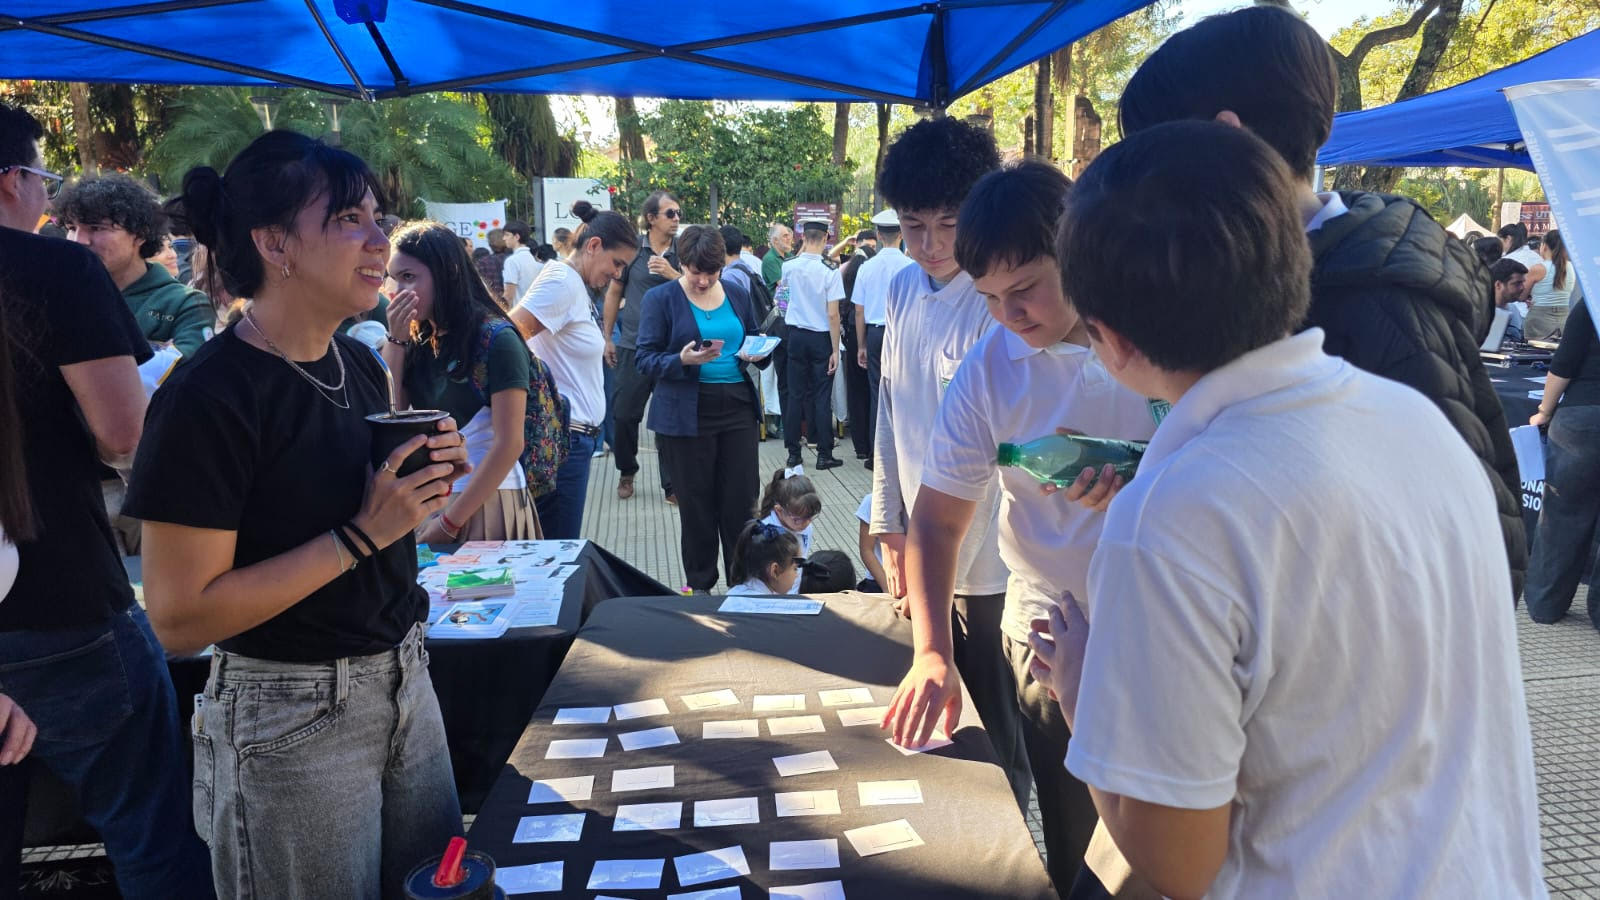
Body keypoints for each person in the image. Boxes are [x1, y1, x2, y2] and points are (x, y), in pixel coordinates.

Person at [1028, 117, 1544, 900]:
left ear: (1109, 337)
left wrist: (1080, 692)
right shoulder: (1415, 421)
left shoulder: (1175, 517)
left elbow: (1179, 862)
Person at [128, 131, 473, 897]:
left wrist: (422, 488)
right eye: (350, 219)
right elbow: (179, 619)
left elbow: (370, 524)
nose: (381, 240)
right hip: (287, 717)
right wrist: (362, 535)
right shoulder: (207, 397)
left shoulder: (356, 362)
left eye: (378, 218)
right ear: (275, 242)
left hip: (404, 680)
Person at [1118, 4, 1526, 599]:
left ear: (1228, 138)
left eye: (1151, 157)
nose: (1141, 187)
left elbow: (1453, 549)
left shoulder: (1374, 305)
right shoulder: (1290, 274)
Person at [884, 160, 1156, 897]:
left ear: (1080, 253)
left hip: (1168, 629)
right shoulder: (990, 366)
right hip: (1050, 629)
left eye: (1026, 289)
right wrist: (932, 652)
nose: (1009, 316)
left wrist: (1148, 483)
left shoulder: (1160, 330)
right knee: (1077, 847)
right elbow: (937, 519)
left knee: (1166, 850)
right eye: (989, 298)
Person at [0, 100, 215, 898]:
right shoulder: (55, 271)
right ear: (14, 181)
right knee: (152, 833)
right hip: (60, 600)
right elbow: (125, 433)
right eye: (44, 179)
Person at [869, 114, 1023, 826]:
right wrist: (886, 520)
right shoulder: (902, 289)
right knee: (937, 727)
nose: (930, 245)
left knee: (998, 731)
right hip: (921, 551)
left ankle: (1011, 843)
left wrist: (941, 558)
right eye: (912, 226)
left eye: (948, 225)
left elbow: (998, 463)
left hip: (987, 567)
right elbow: (888, 412)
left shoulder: (1000, 303)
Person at [382, 221, 540, 543]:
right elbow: (390, 415)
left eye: (409, 277)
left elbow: (510, 444)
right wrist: (396, 341)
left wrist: (449, 523)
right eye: (393, 278)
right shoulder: (418, 339)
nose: (397, 291)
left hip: (487, 500)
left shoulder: (497, 340)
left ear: (447, 273)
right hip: (432, 501)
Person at [635, 225, 772, 592]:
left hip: (737, 406)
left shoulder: (737, 292)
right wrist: (681, 360)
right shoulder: (661, 299)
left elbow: (752, 334)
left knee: (741, 502)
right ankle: (700, 585)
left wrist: (758, 351)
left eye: (712, 273)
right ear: (681, 263)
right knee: (696, 504)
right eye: (696, 272)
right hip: (686, 412)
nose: (704, 281)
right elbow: (644, 358)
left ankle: (744, 583)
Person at [512, 200, 635, 539]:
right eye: (617, 263)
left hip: (572, 440)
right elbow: (506, 338)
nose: (617, 274)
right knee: (556, 552)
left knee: (558, 548)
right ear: (593, 246)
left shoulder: (573, 284)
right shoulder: (562, 282)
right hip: (563, 440)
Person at [56, 174, 216, 360]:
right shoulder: (61, 296)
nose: (79, 240)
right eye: (71, 228)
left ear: (140, 234)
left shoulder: (186, 304)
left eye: (97, 227)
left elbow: (185, 369)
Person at [1525, 287, 1600, 627]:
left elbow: (1563, 364)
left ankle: (1545, 605)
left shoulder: (1594, 298)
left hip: (1582, 417)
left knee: (1561, 515)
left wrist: (1544, 410)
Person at [604, 189, 682, 503]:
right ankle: (627, 470)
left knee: (668, 419)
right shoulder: (633, 250)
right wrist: (607, 337)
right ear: (651, 218)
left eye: (678, 213)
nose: (676, 219)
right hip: (633, 345)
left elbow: (700, 287)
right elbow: (613, 293)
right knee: (623, 415)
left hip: (672, 349)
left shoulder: (684, 250)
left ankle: (672, 484)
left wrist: (673, 274)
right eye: (670, 213)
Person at [780, 218, 845, 470]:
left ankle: (793, 453)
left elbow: (782, 301)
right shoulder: (830, 270)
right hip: (821, 337)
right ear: (826, 238)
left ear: (803, 238)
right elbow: (833, 314)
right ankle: (823, 453)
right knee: (821, 396)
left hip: (795, 336)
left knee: (795, 395)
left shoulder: (788, 266)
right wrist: (835, 349)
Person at [851, 208, 915, 468]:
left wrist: (862, 344)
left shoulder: (867, 267)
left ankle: (876, 454)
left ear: (878, 235)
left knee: (877, 391)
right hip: (903, 332)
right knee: (905, 390)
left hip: (876, 332)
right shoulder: (911, 266)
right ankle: (903, 452)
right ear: (902, 234)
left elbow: (859, 310)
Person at [838, 229, 876, 463]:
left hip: (852, 335)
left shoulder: (846, 274)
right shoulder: (872, 274)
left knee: (855, 389)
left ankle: (860, 444)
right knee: (874, 389)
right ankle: (873, 444)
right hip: (870, 333)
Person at [757, 469, 822, 563]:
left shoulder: (806, 527)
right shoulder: (767, 536)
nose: (807, 523)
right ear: (779, 510)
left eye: (810, 516)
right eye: (798, 520)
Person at [725, 520, 802, 596]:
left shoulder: (733, 593)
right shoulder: (771, 603)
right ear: (775, 571)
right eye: (795, 568)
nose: (797, 575)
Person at [1524, 228, 1574, 341]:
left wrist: (1527, 298)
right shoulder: (1571, 267)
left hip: (1539, 317)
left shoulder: (1538, 269)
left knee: (1536, 350)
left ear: (1544, 246)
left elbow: (1521, 294)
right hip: (1564, 317)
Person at [500, 220, 540, 307]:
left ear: (517, 237)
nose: (504, 238)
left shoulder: (512, 261)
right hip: (531, 308)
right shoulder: (531, 258)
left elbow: (508, 295)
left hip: (517, 310)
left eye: (507, 235)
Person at [855, 493, 888, 593]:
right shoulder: (873, 501)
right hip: (880, 579)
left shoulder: (924, 497)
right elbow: (866, 550)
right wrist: (887, 589)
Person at [1491, 257, 1529, 341]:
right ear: (1498, 285)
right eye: (1517, 283)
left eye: (1523, 283)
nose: (1522, 287)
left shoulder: (1514, 310)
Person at [476, 227, 509, 300]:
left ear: (490, 243)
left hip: (491, 301)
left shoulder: (482, 262)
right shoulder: (513, 259)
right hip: (514, 300)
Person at [763, 222, 794, 289]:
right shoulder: (770, 259)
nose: (789, 238)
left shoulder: (788, 255)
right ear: (775, 240)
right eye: (785, 236)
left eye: (789, 235)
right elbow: (783, 285)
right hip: (780, 295)